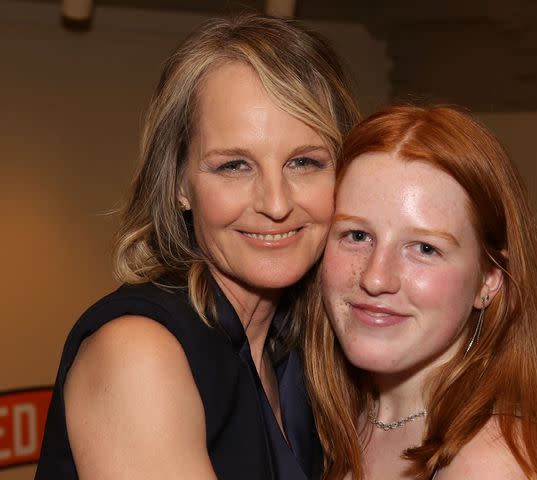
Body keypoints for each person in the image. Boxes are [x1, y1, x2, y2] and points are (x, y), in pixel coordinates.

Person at [36, 14, 359, 480]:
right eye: (233, 166)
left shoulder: (296, 353)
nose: (275, 203)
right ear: (180, 185)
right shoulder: (139, 354)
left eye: (305, 162)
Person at [304, 105, 537, 479]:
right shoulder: (334, 425)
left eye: (425, 249)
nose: (376, 278)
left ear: (489, 279)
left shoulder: (491, 462)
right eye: (358, 236)